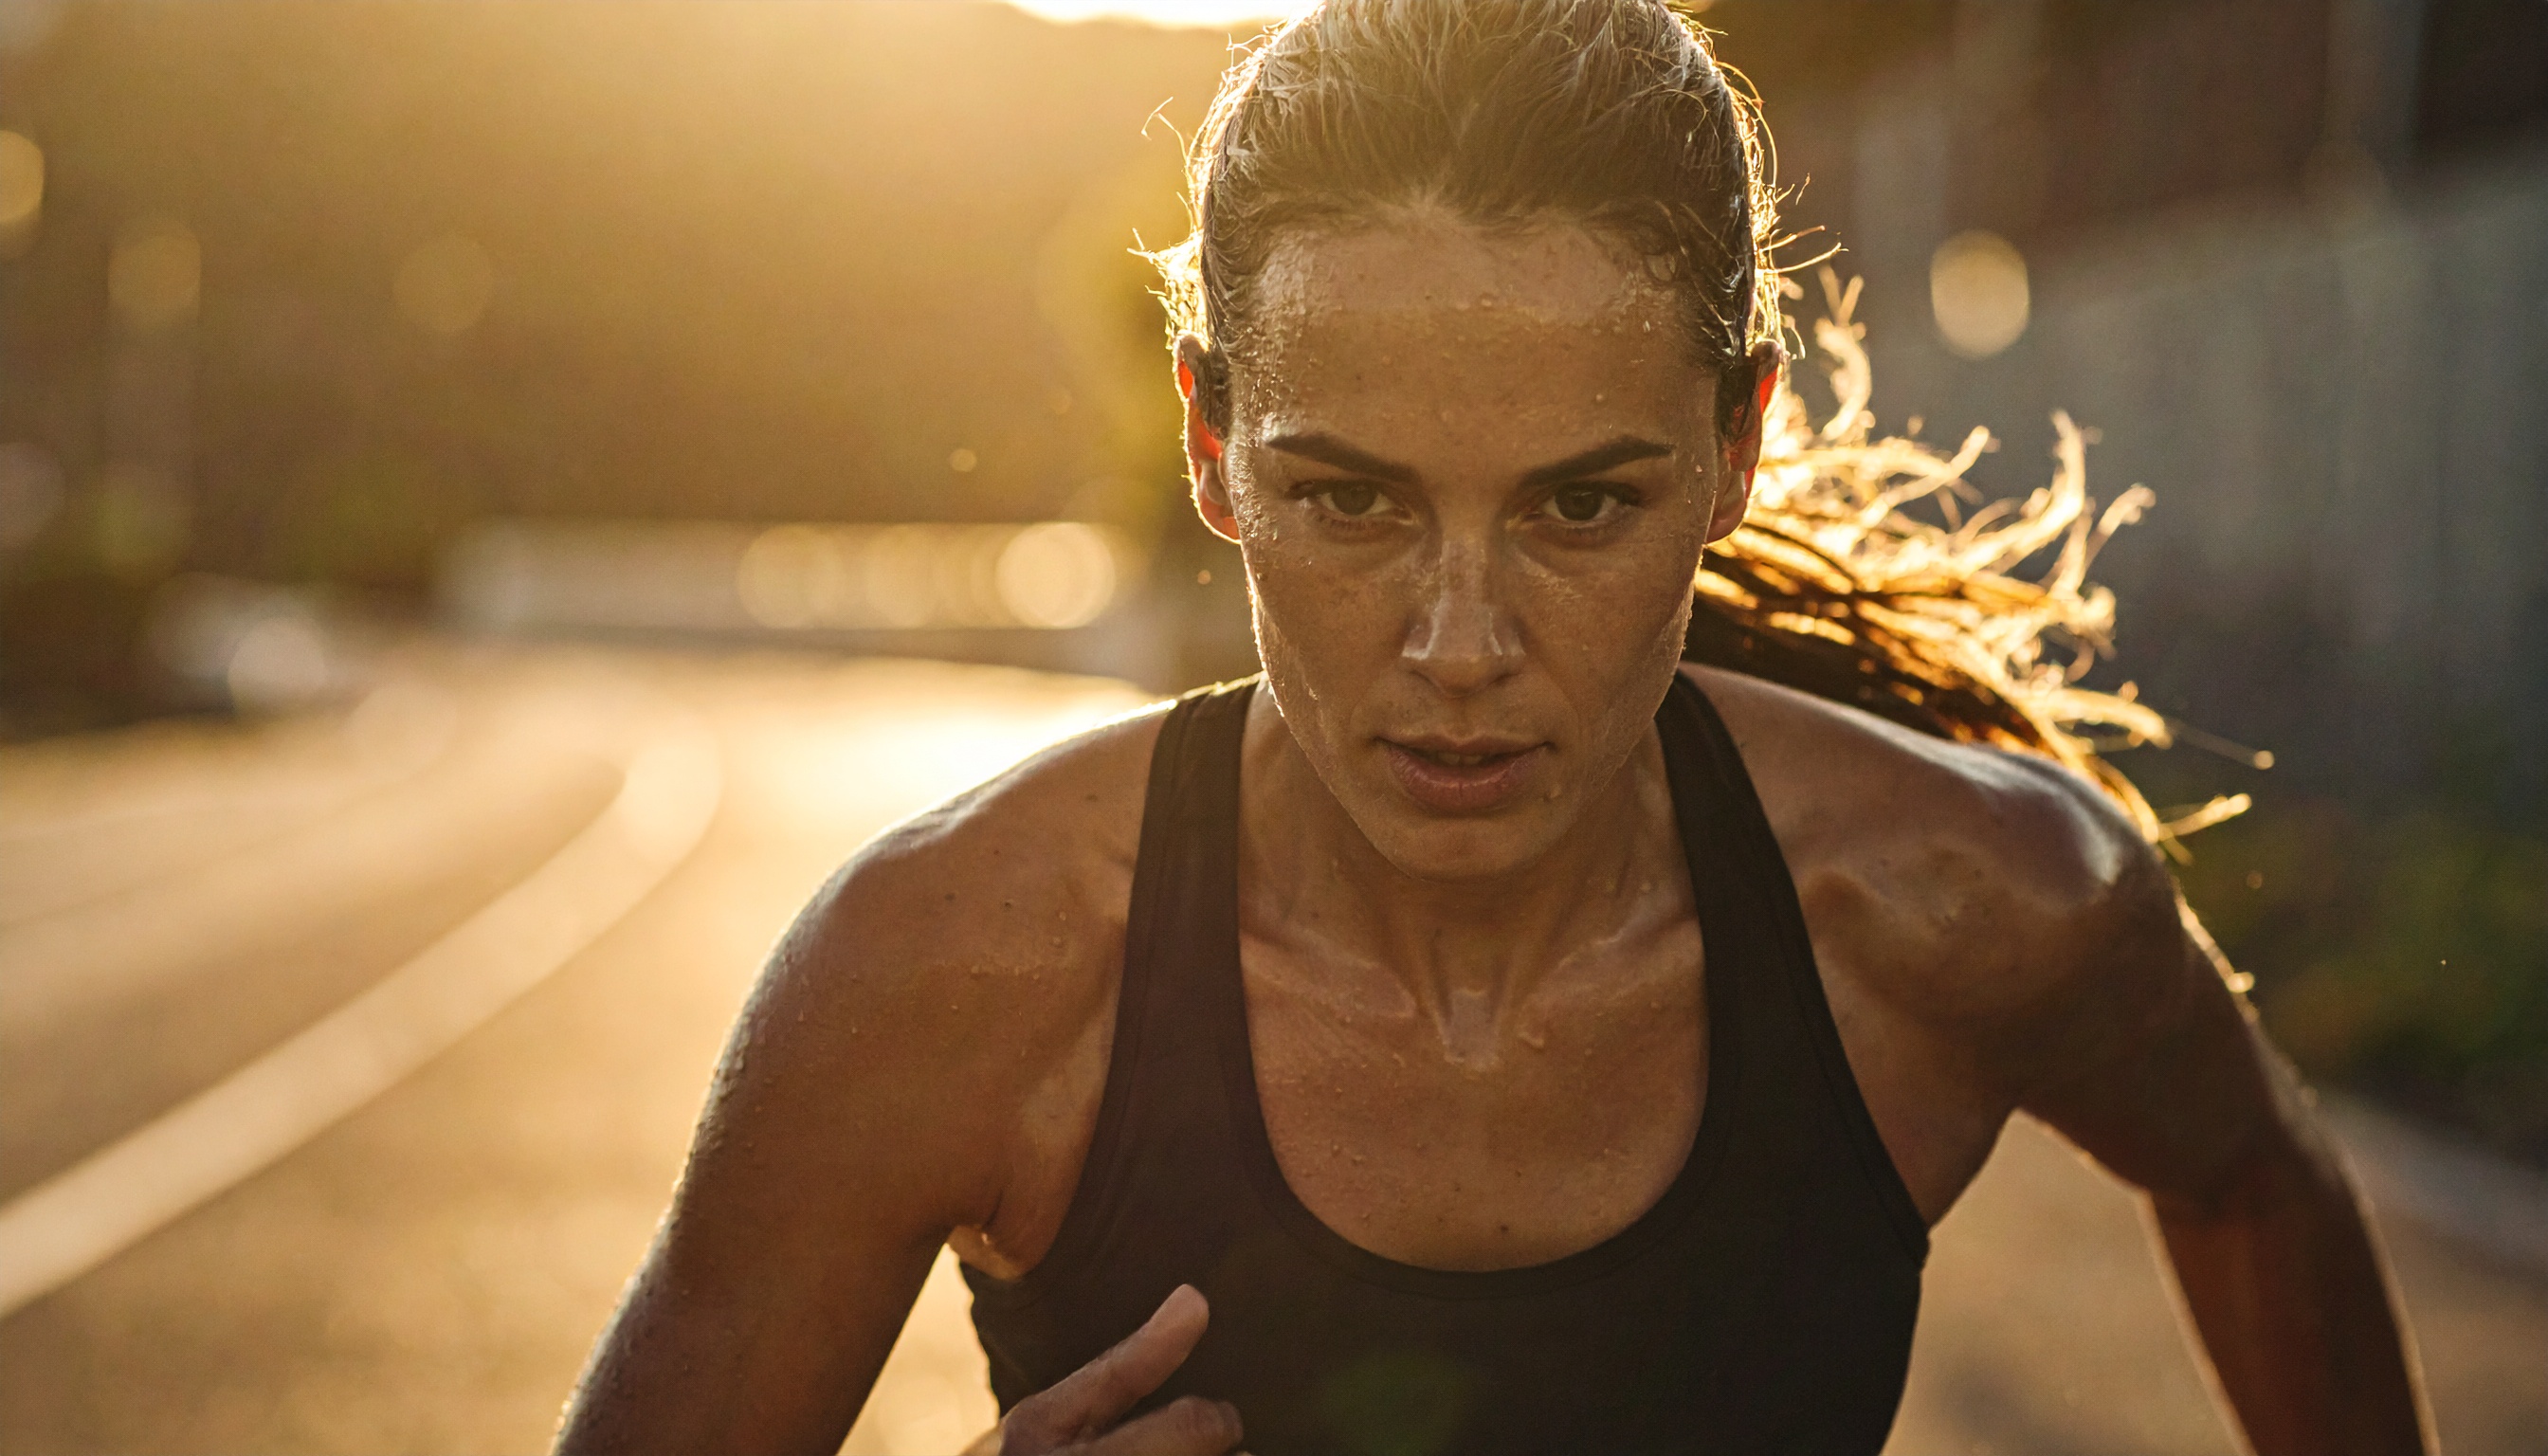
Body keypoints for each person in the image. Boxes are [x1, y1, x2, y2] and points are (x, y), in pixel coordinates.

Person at [555, 3, 2433, 1452]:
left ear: (1734, 448)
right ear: (1214, 445)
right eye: (1351, 501)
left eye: (1582, 507)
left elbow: (2253, 1176)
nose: (1461, 647)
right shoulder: (957, 967)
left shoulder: (1965, 903)